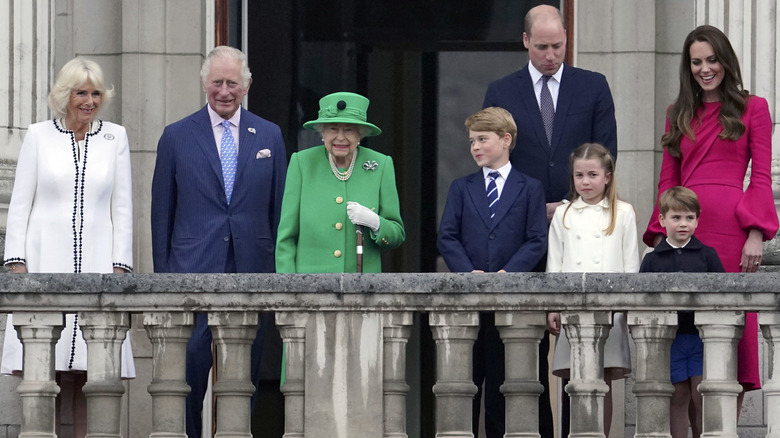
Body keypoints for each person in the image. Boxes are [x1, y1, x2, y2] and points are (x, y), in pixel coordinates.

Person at [482, 7, 618, 433]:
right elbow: (492, 161)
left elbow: (605, 154)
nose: (551, 55)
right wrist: (530, 205)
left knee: (580, 353)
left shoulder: (593, 86)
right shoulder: (500, 89)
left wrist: (571, 204)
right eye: (541, 47)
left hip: (580, 232)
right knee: (516, 349)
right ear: (525, 41)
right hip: (519, 234)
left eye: (558, 46)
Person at [151, 46, 287, 438]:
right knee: (190, 368)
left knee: (244, 370)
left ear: (246, 86)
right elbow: (162, 212)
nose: (224, 91)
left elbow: (279, 210)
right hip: (191, 270)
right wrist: (164, 280)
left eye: (232, 83)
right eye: (217, 82)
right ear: (204, 84)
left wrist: (276, 272)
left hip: (252, 268)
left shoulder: (270, 135)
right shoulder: (176, 136)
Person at [642, 25, 778, 410]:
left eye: (712, 59)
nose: (705, 68)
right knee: (685, 344)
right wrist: (658, 236)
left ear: (725, 60)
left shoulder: (755, 108)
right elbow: (668, 180)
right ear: (689, 67)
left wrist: (756, 233)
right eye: (697, 61)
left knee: (727, 344)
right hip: (683, 233)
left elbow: (763, 177)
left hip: (732, 234)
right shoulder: (677, 113)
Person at [2, 57, 135, 438]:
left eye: (95, 93)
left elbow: (122, 207)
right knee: (47, 366)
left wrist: (120, 266)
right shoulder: (39, 135)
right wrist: (17, 263)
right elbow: (21, 203)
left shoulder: (116, 137)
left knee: (92, 371)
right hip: (46, 261)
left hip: (97, 263)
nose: (89, 101)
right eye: (81, 93)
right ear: (66, 95)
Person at [275, 91, 404, 435]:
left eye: (349, 129)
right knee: (306, 387)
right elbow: (286, 237)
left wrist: (375, 222)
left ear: (361, 133)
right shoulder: (302, 163)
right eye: (332, 128)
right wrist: (289, 294)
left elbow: (397, 232)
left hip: (362, 301)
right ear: (321, 132)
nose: (341, 137)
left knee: (359, 388)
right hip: (308, 301)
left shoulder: (380, 165)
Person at [438, 107, 547, 437]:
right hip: (468, 305)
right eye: (472, 141)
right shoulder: (462, 187)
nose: (475, 147)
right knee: (465, 388)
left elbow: (536, 239)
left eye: (482, 139)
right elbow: (447, 235)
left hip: (511, 305)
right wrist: (467, 272)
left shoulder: (530, 187)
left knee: (506, 389)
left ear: (506, 140)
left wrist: (508, 273)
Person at [546, 143, 638, 437]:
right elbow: (555, 264)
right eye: (579, 175)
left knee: (604, 381)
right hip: (573, 308)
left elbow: (630, 265)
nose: (585, 182)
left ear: (608, 176)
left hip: (610, 310)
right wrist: (553, 305)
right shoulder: (564, 214)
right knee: (574, 379)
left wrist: (626, 308)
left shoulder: (623, 212)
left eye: (592, 175)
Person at [640, 186, 724, 438]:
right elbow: (642, 301)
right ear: (662, 220)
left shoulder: (707, 256)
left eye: (689, 217)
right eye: (676, 217)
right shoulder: (653, 259)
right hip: (670, 341)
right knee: (677, 397)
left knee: (701, 397)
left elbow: (723, 296)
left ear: (697, 220)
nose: (683, 224)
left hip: (701, 339)